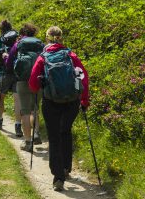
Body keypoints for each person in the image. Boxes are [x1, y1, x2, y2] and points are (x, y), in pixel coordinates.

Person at [29, 26, 89, 192]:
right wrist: (84, 101)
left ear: (47, 38)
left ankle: (58, 178)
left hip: (51, 103)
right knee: (66, 131)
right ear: (61, 38)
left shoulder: (43, 58)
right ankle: (66, 168)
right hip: (71, 102)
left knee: (54, 137)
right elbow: (84, 77)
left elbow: (32, 84)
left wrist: (41, 84)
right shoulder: (71, 55)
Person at [5, 23, 43, 152]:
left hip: (22, 81)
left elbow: (9, 62)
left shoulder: (18, 44)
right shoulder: (40, 44)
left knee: (25, 111)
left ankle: (28, 142)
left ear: (22, 33)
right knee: (35, 109)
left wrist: (9, 65)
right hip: (38, 80)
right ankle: (36, 133)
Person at [0, 20, 22, 135]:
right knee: (17, 99)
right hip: (17, 73)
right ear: (11, 27)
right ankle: (18, 125)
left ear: (1, 29)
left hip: (4, 73)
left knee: (1, 97)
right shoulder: (17, 39)